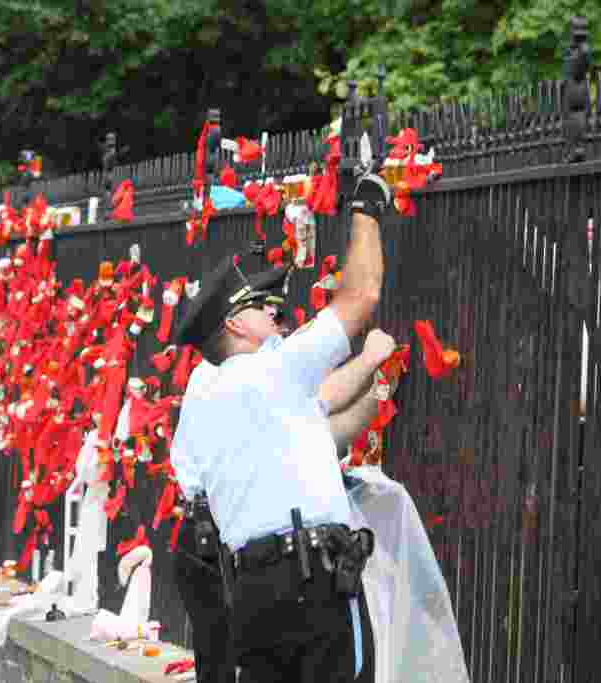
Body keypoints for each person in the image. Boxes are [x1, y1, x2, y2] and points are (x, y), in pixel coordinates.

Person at [171, 170, 394, 682]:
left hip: (255, 592)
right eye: (259, 306)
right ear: (234, 324)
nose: (275, 313)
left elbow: (318, 426)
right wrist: (366, 207)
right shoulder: (269, 369)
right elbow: (360, 297)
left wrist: (374, 382)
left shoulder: (215, 399)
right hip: (314, 580)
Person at [171, 327, 395, 683]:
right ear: (235, 325)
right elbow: (324, 401)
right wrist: (370, 359)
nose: (278, 324)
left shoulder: (243, 388)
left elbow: (325, 430)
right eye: (267, 312)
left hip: (253, 570)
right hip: (287, 566)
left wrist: (379, 391)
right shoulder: (240, 377)